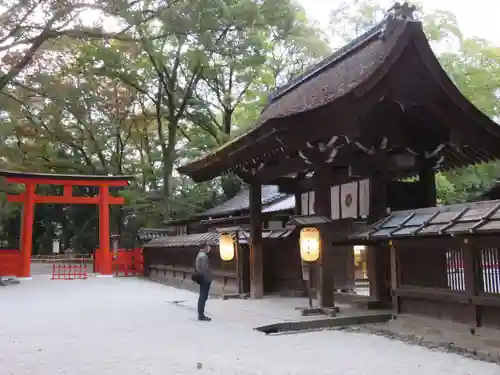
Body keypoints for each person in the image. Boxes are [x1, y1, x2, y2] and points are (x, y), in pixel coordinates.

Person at [195, 241, 212, 321]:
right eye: (208, 246)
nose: (208, 248)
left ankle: (200, 314)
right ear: (205, 247)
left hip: (201, 277)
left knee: (202, 296)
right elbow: (206, 270)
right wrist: (209, 279)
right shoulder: (204, 256)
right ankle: (201, 315)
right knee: (203, 297)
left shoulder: (199, 255)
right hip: (205, 278)